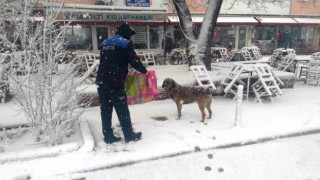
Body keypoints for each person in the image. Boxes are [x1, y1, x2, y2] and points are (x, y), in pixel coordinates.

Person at [95, 22, 148, 144]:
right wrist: (144, 71)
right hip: (115, 82)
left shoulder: (105, 43)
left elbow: (106, 61)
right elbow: (133, 60)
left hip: (102, 80)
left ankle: (108, 135)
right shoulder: (125, 43)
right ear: (126, 34)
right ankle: (129, 134)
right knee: (122, 109)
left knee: (105, 110)